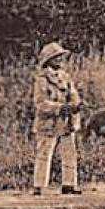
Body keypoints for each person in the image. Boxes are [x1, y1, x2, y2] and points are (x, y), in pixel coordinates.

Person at [32, 41, 83, 195]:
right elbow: (40, 103)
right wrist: (60, 108)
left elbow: (73, 93)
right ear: (49, 59)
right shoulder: (42, 79)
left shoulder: (65, 77)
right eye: (57, 57)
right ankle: (40, 185)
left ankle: (69, 184)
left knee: (69, 152)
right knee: (44, 152)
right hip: (49, 122)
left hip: (66, 121)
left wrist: (76, 104)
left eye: (61, 56)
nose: (60, 59)